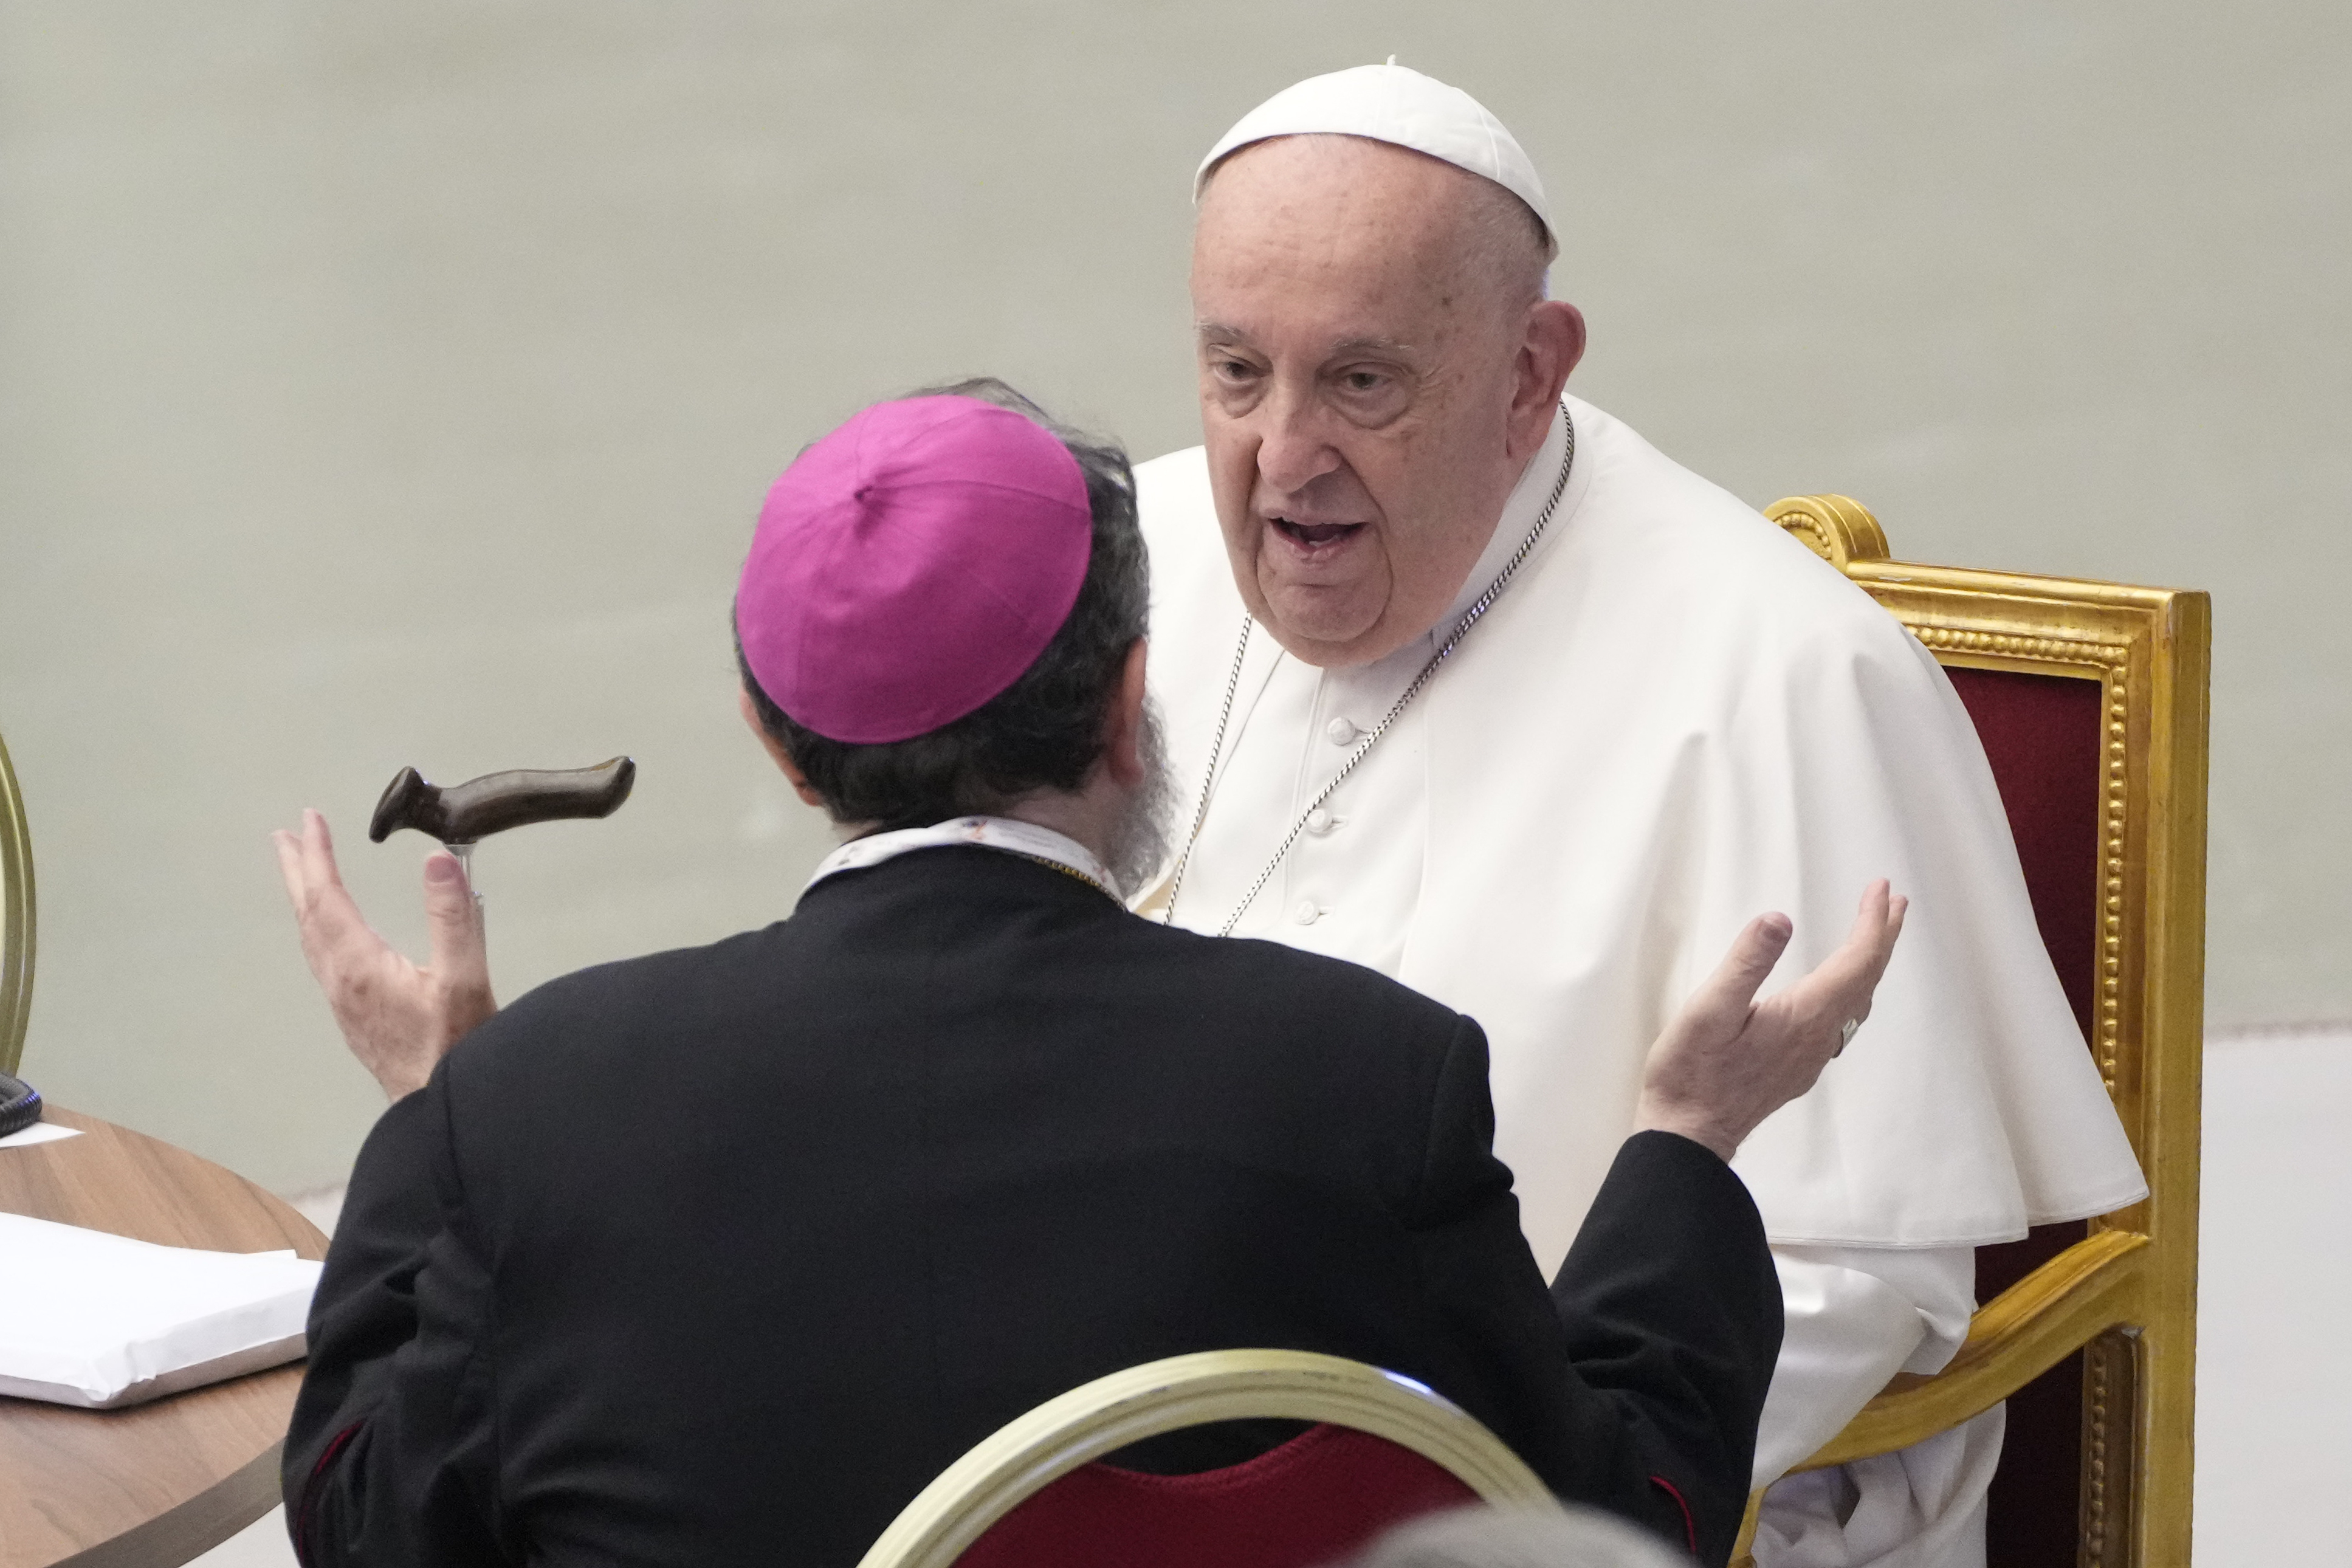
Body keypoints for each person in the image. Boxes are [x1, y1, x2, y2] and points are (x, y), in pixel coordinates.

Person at [274, 385, 1906, 1567]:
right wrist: (1683, 1148)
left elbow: (361, 1526)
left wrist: (433, 1126)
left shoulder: (542, 1107)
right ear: (1131, 703)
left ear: (779, 747)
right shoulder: (1356, 1078)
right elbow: (1610, 1528)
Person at [1135, 64, 2148, 1566]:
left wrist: (1453, 1467)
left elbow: (1852, 1280)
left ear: (1533, 370)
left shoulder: (1788, 677)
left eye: (1362, 382)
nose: (1282, 465)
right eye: (1235, 373)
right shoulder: (1129, 559)